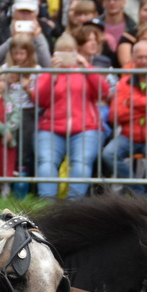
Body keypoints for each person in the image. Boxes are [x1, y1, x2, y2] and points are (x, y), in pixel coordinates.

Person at [33, 33, 106, 197]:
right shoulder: (49, 72)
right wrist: (51, 74)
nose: (66, 57)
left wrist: (86, 67)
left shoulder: (85, 70)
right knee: (46, 162)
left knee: (81, 163)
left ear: (77, 52)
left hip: (85, 128)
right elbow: (39, 99)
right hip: (51, 127)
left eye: (70, 52)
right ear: (55, 54)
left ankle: (73, 205)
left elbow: (103, 92)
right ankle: (46, 204)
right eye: (61, 53)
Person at [101, 37, 147, 189]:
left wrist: (132, 103)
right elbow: (114, 115)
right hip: (128, 136)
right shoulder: (124, 82)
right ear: (133, 59)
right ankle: (140, 194)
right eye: (140, 57)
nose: (143, 61)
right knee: (108, 154)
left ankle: (141, 194)